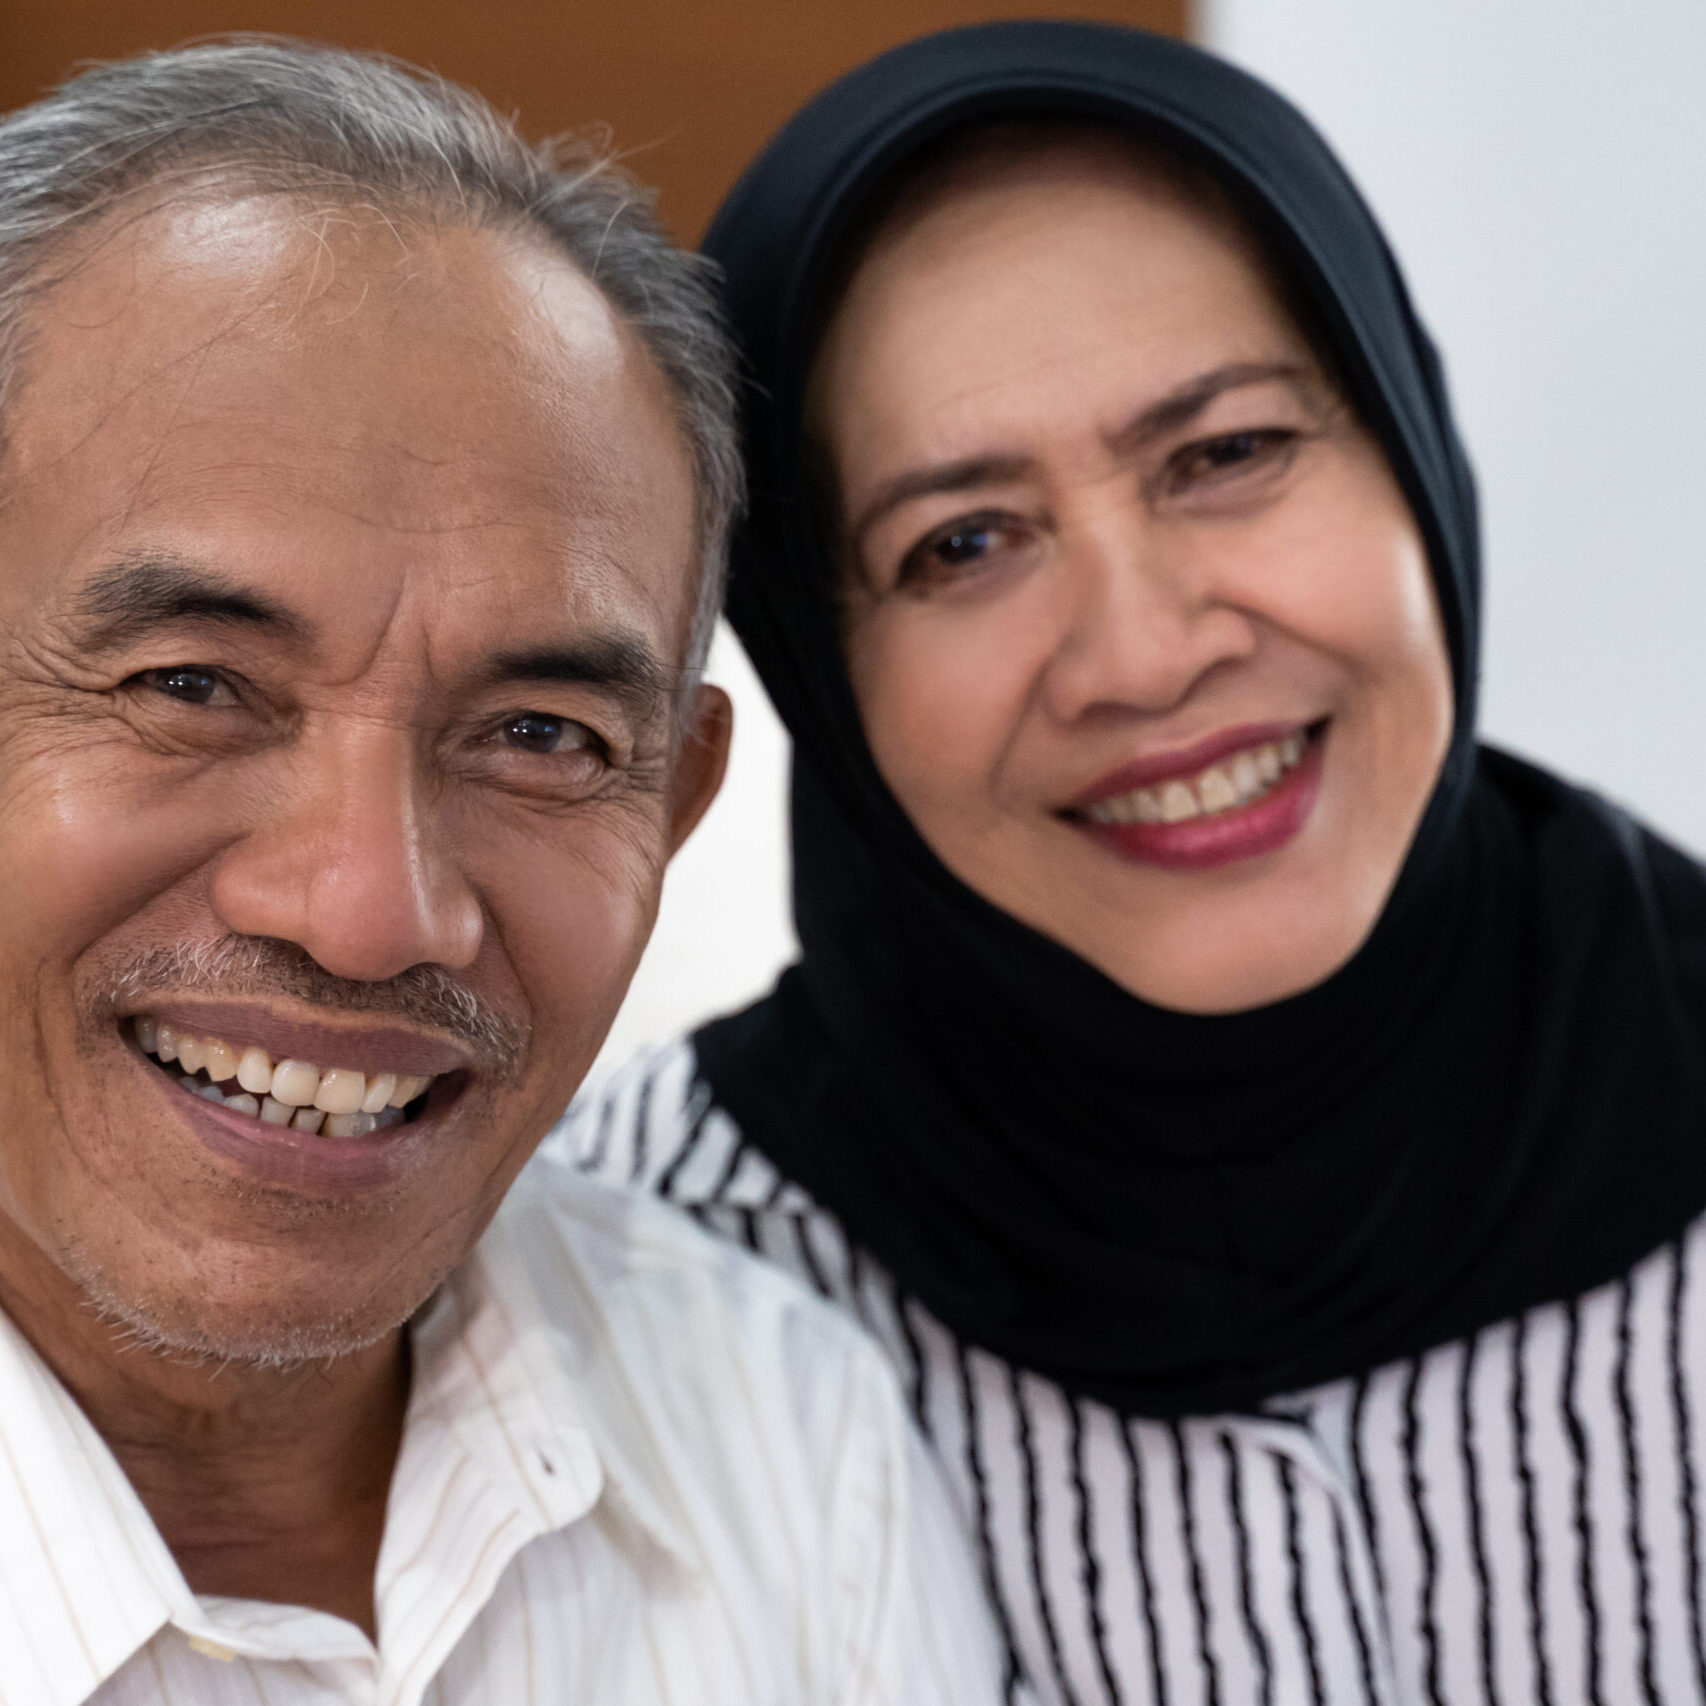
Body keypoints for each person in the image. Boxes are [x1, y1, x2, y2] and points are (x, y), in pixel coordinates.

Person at [563, 20, 1706, 1706]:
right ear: (812, 656)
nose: (1144, 652)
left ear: (1409, 449)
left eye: (1227, 451)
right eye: (959, 542)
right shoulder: (613, 1312)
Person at [0, 40, 1007, 1705]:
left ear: (672, 807)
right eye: (188, 685)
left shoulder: (775, 1437)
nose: (369, 908)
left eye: (539, 736)